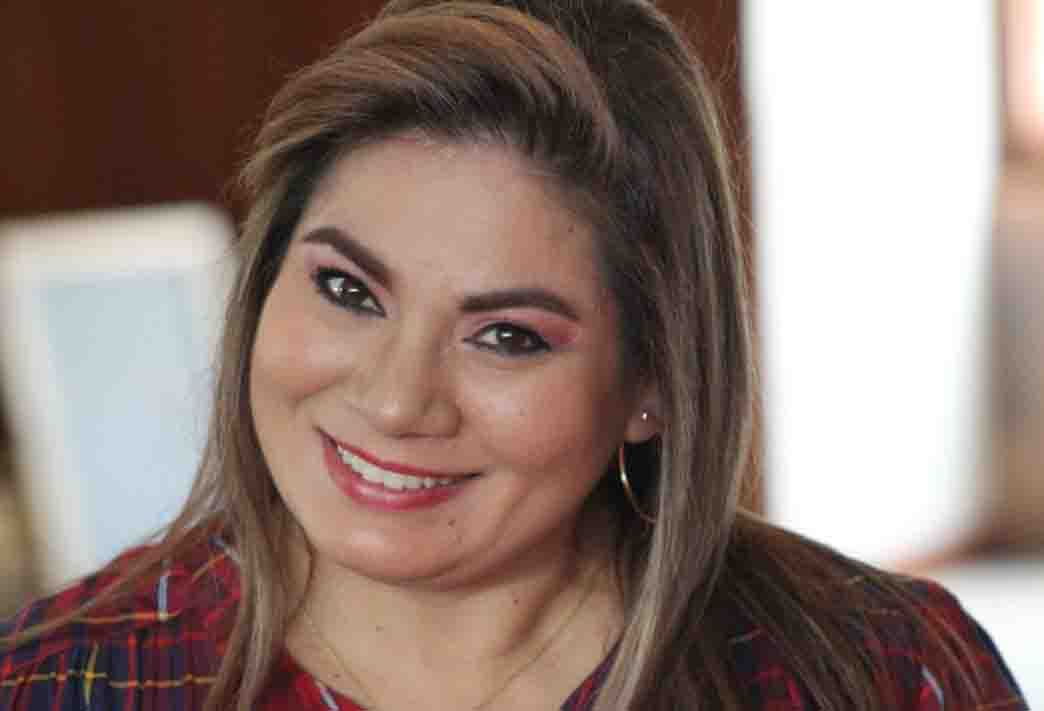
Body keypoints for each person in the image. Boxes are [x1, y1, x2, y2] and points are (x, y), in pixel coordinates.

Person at [0, 1, 1028, 709]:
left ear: (655, 382)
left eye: (507, 336)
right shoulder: (65, 683)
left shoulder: (885, 672)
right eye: (348, 290)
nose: (396, 400)